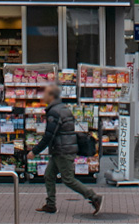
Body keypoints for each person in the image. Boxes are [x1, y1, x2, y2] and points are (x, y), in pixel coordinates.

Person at [32, 83, 103, 215]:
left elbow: (49, 135)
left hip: (63, 150)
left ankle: (93, 197)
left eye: (45, 94)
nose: (43, 97)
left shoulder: (54, 112)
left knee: (68, 179)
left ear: (51, 96)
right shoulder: (64, 108)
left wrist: (34, 151)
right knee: (49, 175)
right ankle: (50, 204)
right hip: (62, 149)